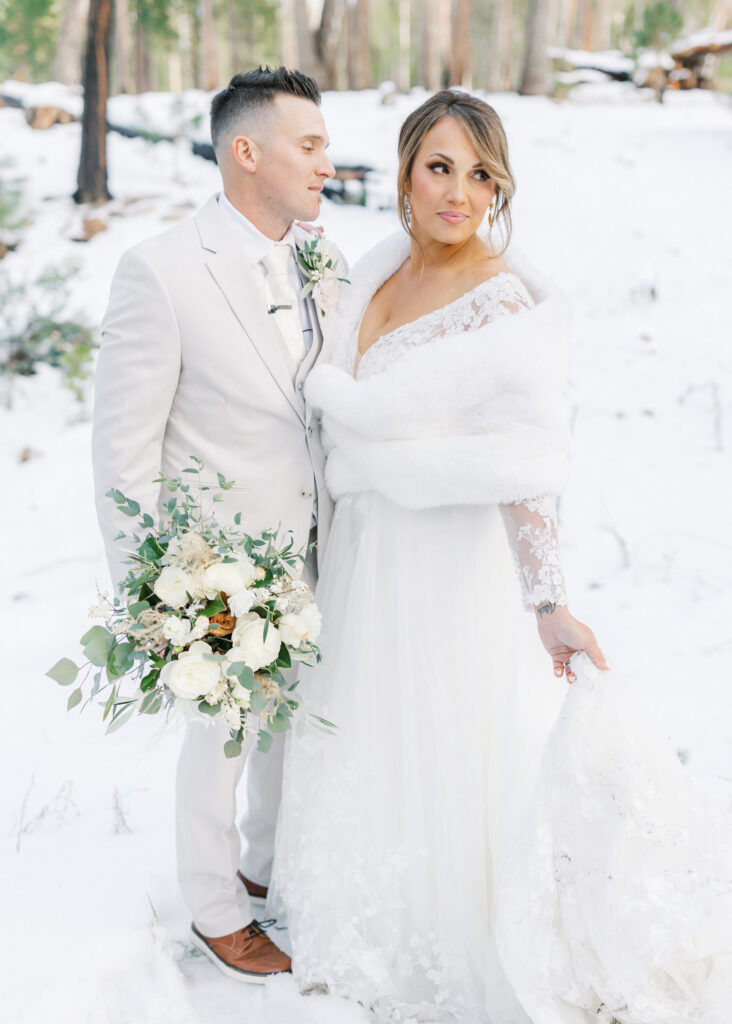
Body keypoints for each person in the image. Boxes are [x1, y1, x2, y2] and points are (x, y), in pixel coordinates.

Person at [270, 90, 732, 1022]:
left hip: (449, 563)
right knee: (370, 730)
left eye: (480, 174)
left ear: (499, 187)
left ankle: (460, 934)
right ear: (405, 171)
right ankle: (367, 924)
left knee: (450, 741)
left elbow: (525, 464)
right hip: (368, 555)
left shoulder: (504, 300)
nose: (459, 192)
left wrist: (548, 600)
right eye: (440, 167)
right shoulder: (374, 272)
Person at [92, 66, 346, 984]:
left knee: (292, 729)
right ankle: (213, 907)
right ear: (248, 153)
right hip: (214, 565)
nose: (328, 162)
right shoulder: (159, 270)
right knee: (223, 740)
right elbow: (122, 450)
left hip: (316, 546)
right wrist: (155, 588)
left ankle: (265, 870)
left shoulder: (324, 260)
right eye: (308, 145)